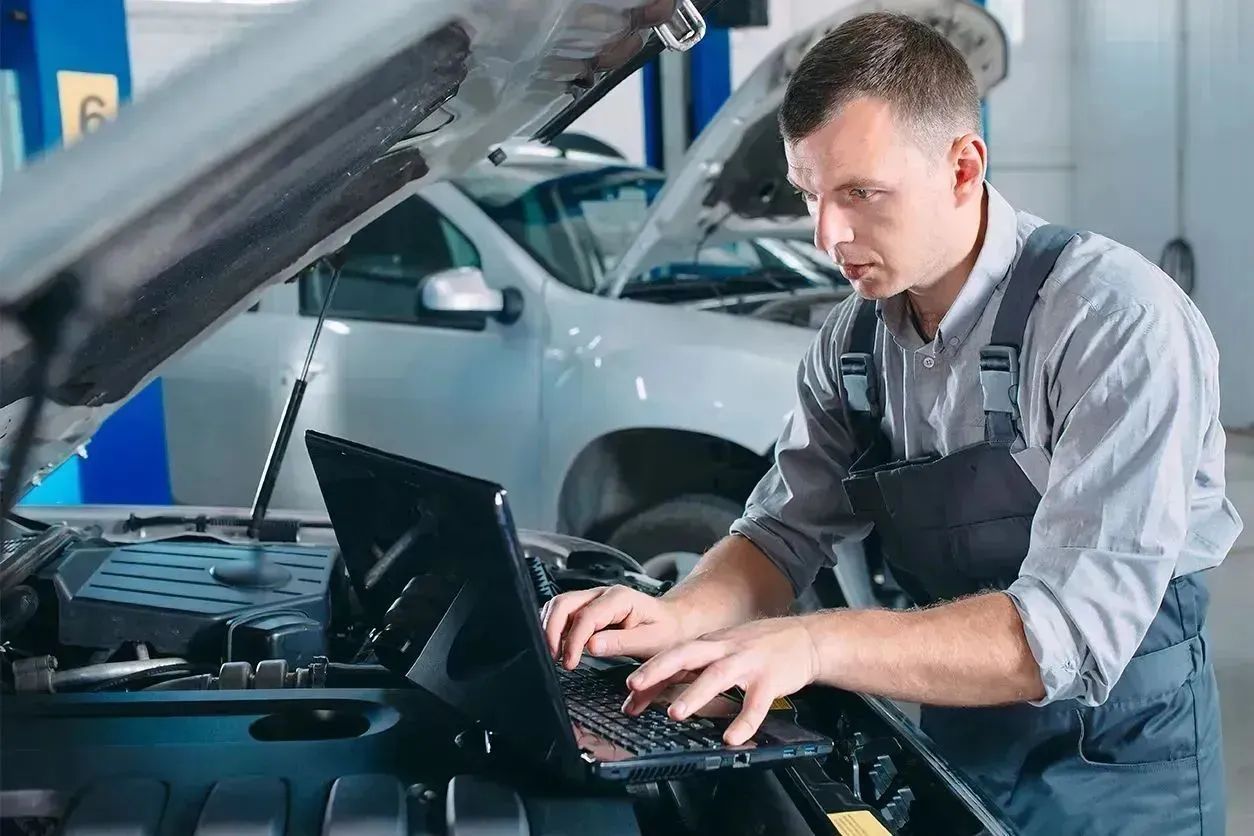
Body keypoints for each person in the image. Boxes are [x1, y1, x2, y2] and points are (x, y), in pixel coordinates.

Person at [541, 11, 1243, 835]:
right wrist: (678, 613)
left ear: (962, 166)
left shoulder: (1115, 322)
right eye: (811, 196)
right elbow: (779, 537)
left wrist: (811, 644)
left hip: (1121, 761)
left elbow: (1070, 635)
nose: (828, 235)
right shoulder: (853, 343)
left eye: (861, 194)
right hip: (958, 727)